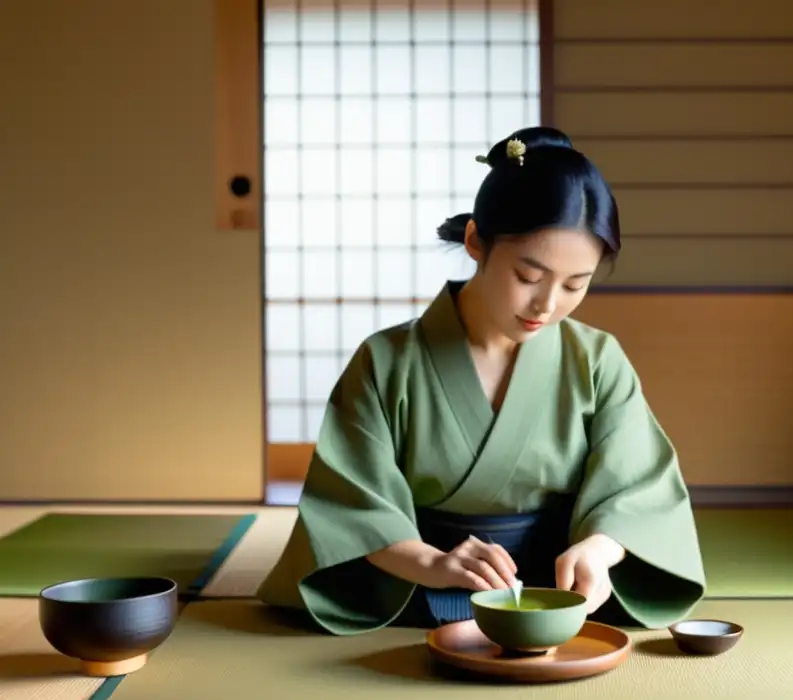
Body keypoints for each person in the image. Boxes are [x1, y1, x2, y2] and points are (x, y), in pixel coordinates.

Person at [256, 127, 707, 636]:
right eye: (529, 277)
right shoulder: (385, 361)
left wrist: (598, 552)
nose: (548, 304)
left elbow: (639, 487)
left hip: (556, 587)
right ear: (475, 242)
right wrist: (430, 563)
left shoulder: (598, 360)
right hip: (419, 587)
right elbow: (351, 501)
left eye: (575, 285)